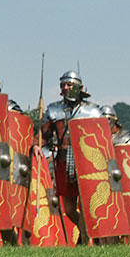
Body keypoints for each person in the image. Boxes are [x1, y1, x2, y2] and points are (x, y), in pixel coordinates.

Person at [40, 71, 102, 244]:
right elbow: (43, 135)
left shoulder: (93, 111)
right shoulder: (54, 109)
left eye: (69, 85)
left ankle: (85, 240)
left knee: (85, 205)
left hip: (86, 161)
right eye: (63, 85)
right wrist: (40, 141)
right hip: (63, 159)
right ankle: (86, 234)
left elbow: (101, 139)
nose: (65, 88)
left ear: (79, 88)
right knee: (68, 209)